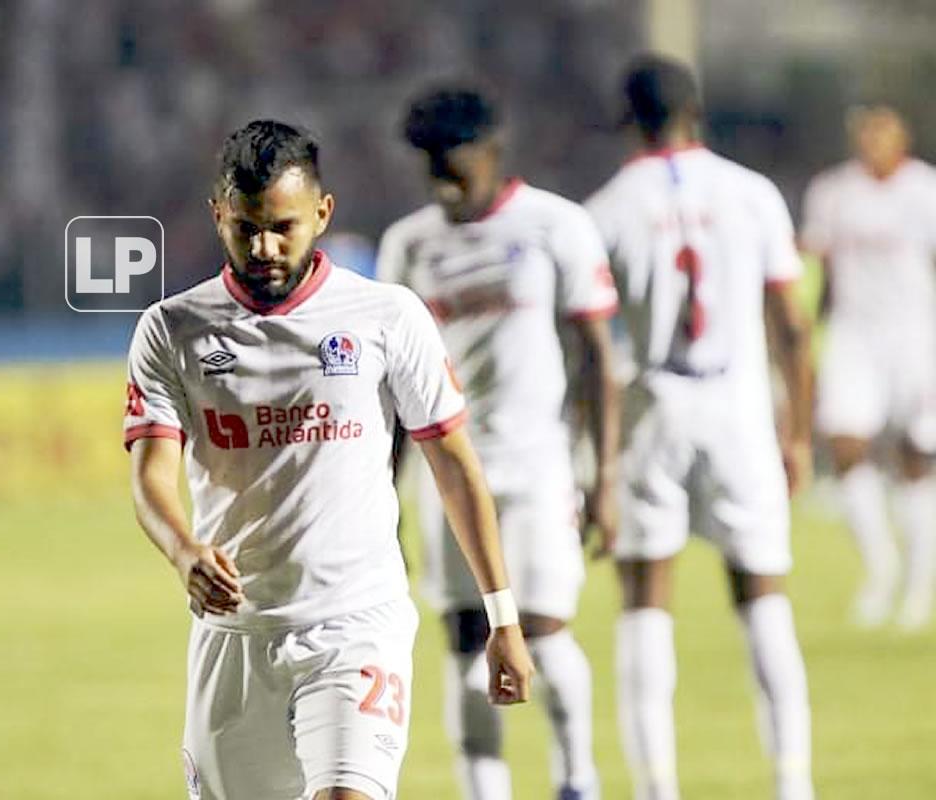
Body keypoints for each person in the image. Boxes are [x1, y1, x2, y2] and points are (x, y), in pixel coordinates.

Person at [124, 119, 535, 800]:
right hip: (237, 635)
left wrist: (503, 617)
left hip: (356, 624)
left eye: (283, 226)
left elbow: (455, 465)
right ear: (217, 215)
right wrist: (183, 551)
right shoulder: (173, 329)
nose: (264, 247)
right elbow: (150, 473)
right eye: (245, 226)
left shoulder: (387, 317)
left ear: (323, 213)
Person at [377, 86, 620, 800]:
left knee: (540, 629)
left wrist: (604, 475)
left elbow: (599, 357)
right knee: (461, 638)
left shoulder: (556, 225)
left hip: (539, 466)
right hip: (447, 471)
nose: (442, 185)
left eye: (454, 167)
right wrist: (384, 490)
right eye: (430, 170)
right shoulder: (409, 243)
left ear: (492, 151)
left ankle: (577, 777)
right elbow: (388, 383)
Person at [585, 55, 815, 800]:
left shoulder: (609, 208)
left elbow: (589, 344)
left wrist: (599, 466)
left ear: (629, 121)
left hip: (654, 408)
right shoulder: (752, 194)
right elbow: (793, 326)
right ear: (697, 111)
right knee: (763, 597)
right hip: (738, 407)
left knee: (645, 599)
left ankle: (657, 787)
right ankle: (793, 783)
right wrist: (798, 432)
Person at [800, 105, 936, 630]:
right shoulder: (832, 193)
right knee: (846, 445)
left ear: (903, 138)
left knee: (915, 457)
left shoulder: (925, 191)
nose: (874, 142)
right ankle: (881, 569)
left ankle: (919, 588)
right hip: (854, 335)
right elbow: (817, 269)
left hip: (914, 336)